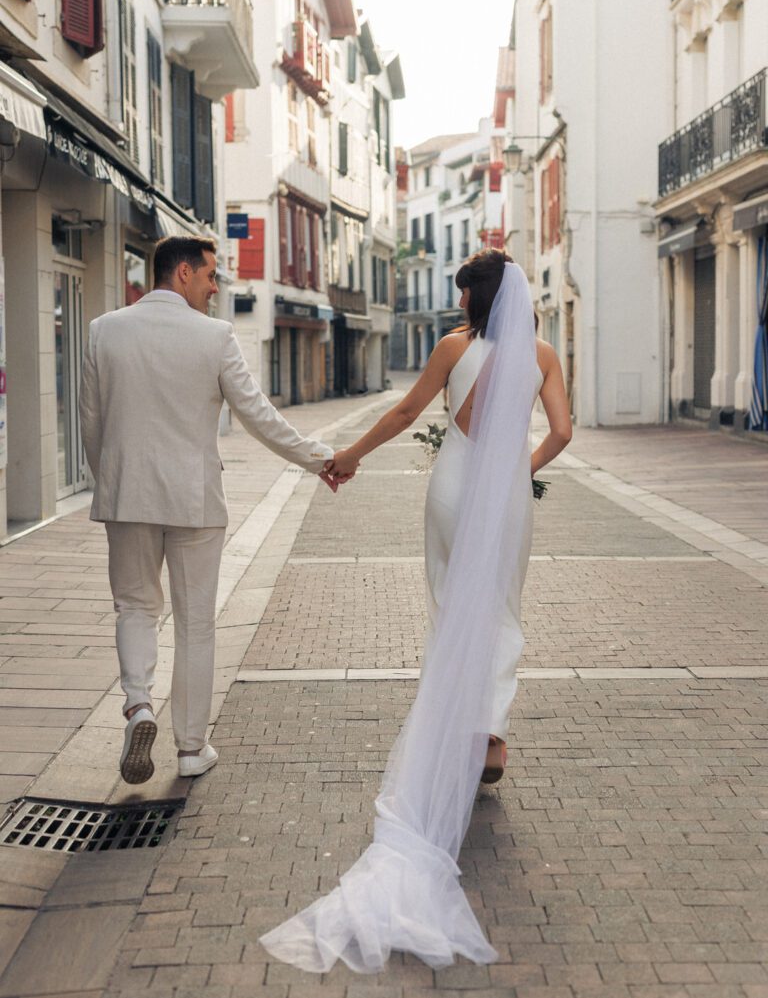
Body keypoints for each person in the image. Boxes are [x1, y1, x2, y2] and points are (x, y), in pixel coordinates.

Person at [260, 252, 572, 973]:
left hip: (455, 485)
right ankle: (491, 735)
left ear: (473, 296)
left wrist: (350, 454)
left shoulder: (453, 348)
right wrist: (517, 470)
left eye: (463, 290)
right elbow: (561, 431)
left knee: (447, 601)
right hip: (504, 494)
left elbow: (405, 410)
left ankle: (460, 727)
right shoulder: (544, 354)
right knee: (501, 608)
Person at [79, 235, 338, 785]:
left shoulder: (104, 331)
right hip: (195, 500)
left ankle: (138, 706)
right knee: (196, 622)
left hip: (128, 496)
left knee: (134, 607)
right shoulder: (215, 336)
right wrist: (319, 460)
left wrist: (113, 485)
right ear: (181, 274)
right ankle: (192, 749)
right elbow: (258, 415)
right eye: (209, 276)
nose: (215, 287)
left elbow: (91, 423)